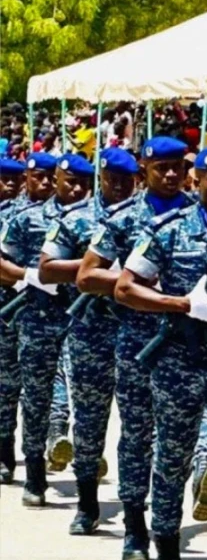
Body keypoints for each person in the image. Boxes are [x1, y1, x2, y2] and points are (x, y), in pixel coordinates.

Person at [115, 147, 207, 560]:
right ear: (198, 181)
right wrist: (176, 303)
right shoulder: (169, 231)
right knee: (171, 457)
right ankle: (166, 555)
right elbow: (125, 286)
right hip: (176, 358)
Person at [77, 137, 193, 560]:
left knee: (180, 440)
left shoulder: (203, 215)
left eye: (176, 167)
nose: (169, 175)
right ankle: (133, 524)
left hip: (191, 347)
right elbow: (88, 276)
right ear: (144, 170)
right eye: (160, 168)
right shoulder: (126, 219)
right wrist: (139, 286)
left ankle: (169, 524)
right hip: (139, 341)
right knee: (138, 433)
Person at [36, 151, 135, 533]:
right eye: (113, 181)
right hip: (91, 330)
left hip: (137, 331)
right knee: (90, 419)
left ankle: (135, 508)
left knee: (138, 426)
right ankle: (87, 500)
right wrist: (93, 269)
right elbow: (47, 267)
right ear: (103, 178)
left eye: (126, 182)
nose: (119, 188)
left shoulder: (145, 219)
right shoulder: (78, 218)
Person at [0, 152, 73, 506]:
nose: (43, 183)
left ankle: (62, 438)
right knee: (25, 388)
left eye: (49, 177)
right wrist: (28, 277)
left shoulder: (84, 219)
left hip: (78, 316)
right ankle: (31, 468)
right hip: (30, 313)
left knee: (72, 386)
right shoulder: (22, 218)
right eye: (38, 178)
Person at [0, 154, 26, 484]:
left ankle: (4, 448)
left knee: (7, 384)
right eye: (3, 178)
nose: (8, 184)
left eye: (14, 179)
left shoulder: (22, 215)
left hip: (12, 308)